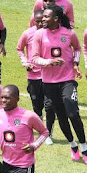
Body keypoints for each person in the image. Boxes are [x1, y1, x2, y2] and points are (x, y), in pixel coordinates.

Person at [31, 5, 87, 163]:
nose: (42, 19)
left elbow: (77, 48)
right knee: (61, 116)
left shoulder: (69, 33)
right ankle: (73, 145)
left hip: (67, 80)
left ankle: (84, 147)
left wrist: (76, 64)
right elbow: (34, 58)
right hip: (49, 83)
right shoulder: (39, 35)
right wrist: (50, 62)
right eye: (42, 17)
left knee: (73, 113)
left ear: (56, 19)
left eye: (46, 17)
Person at [18, 10, 56, 144]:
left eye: (42, 20)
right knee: (37, 105)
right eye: (37, 21)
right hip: (33, 76)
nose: (40, 23)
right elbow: (19, 49)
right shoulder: (28, 34)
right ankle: (41, 127)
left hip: (49, 75)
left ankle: (48, 132)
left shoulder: (51, 34)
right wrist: (25, 62)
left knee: (49, 105)